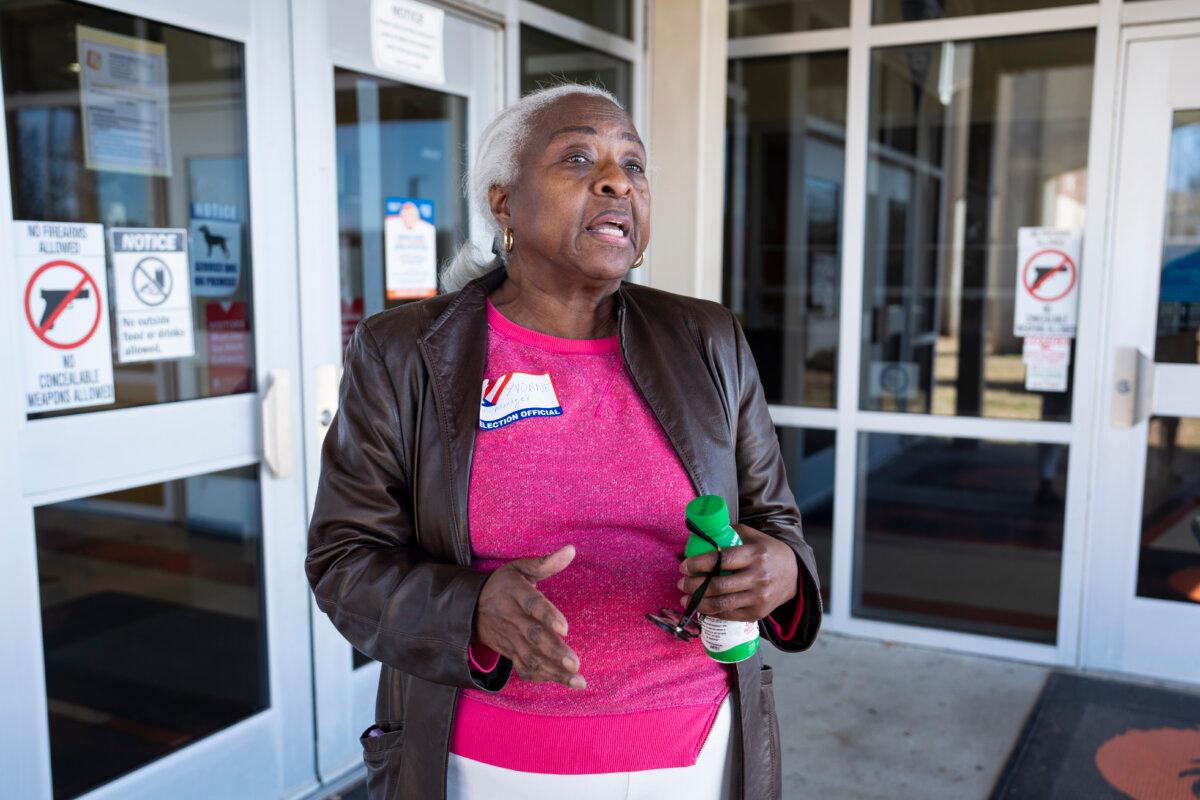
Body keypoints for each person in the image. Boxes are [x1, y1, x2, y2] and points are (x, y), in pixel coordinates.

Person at [306, 83, 822, 800]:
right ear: (502, 203)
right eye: (578, 156)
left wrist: (779, 572)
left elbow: (778, 526)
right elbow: (344, 562)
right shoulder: (408, 353)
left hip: (697, 755)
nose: (617, 180)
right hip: (486, 763)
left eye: (633, 165)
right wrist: (473, 608)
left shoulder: (708, 340)